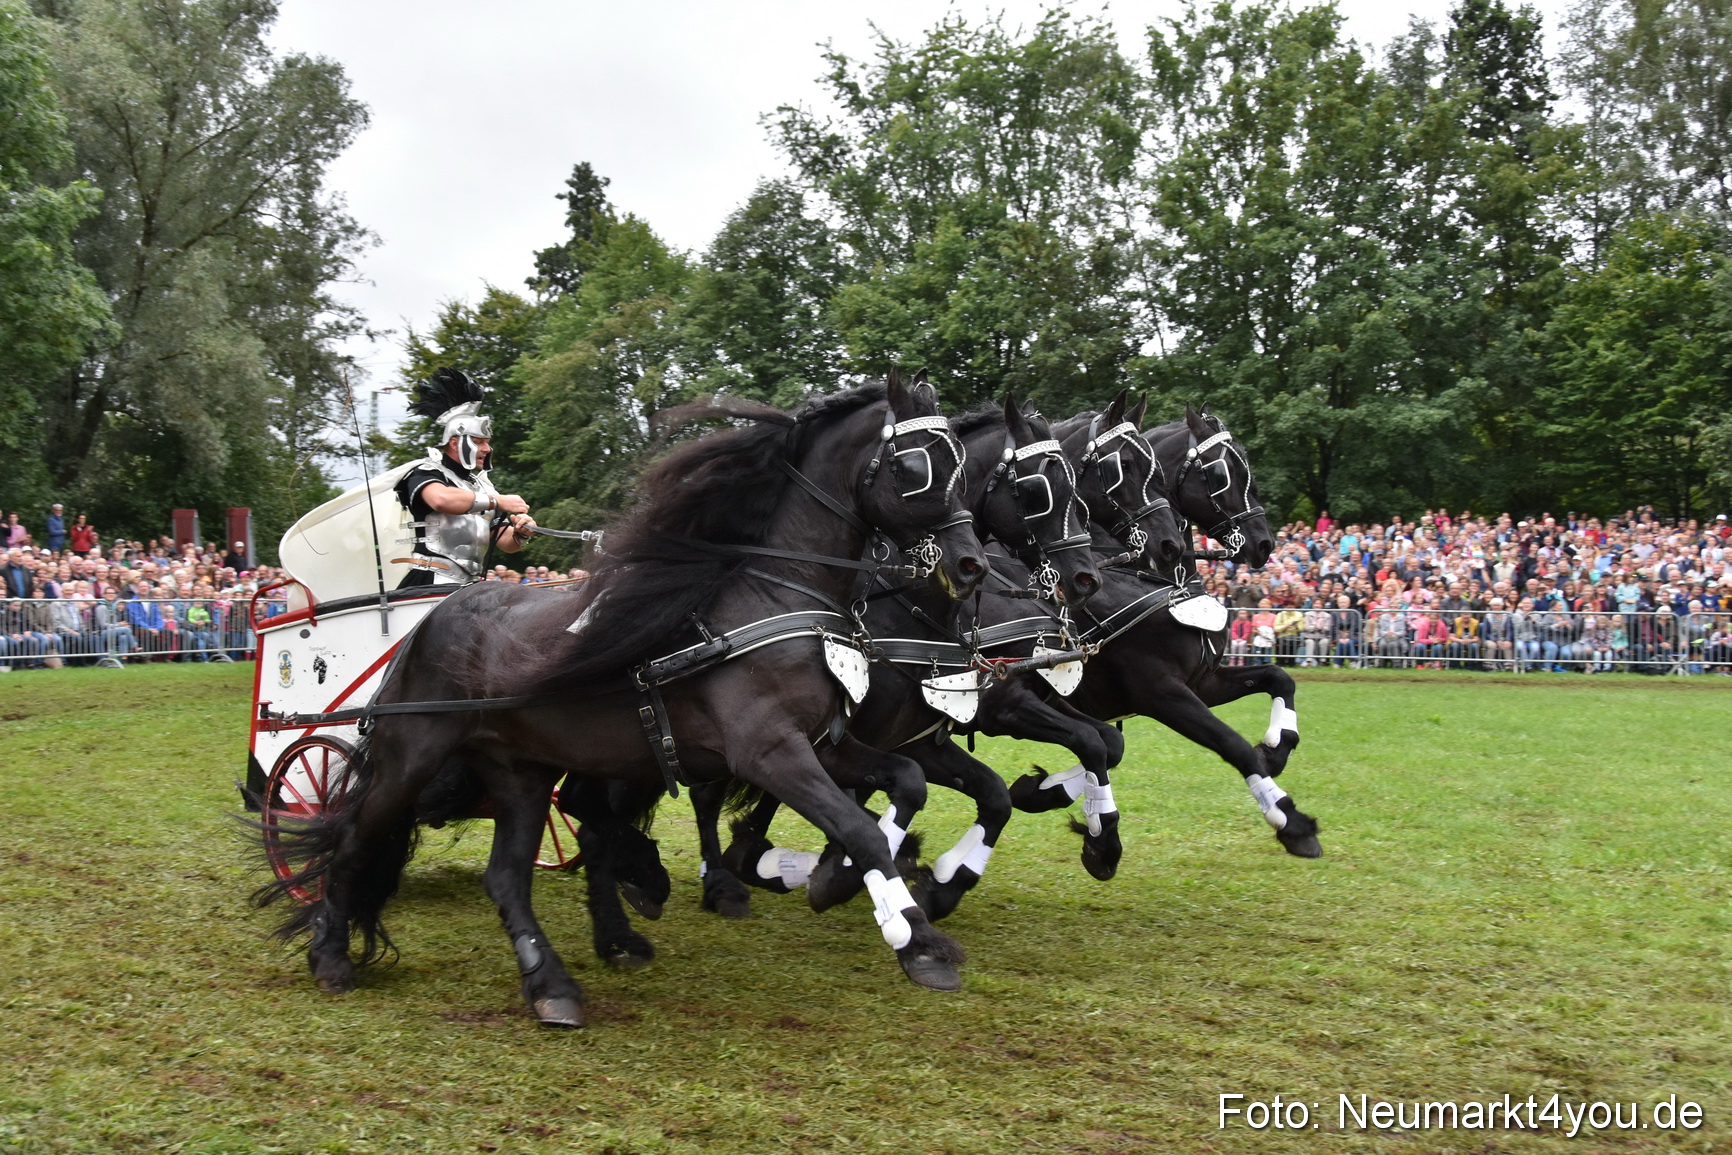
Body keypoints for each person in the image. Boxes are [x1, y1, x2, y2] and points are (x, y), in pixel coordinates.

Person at [394, 368, 536, 587]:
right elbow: (441, 500)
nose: (487, 448)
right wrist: (497, 501)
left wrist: (521, 532)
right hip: (430, 578)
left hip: (469, 585)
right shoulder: (425, 472)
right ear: (454, 442)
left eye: (487, 442)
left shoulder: (483, 487)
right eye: (479, 442)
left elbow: (505, 541)